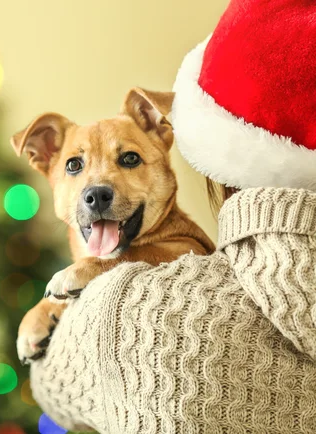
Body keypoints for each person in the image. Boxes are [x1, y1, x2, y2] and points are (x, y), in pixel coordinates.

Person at [28, 0, 316, 432]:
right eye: (74, 166)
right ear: (43, 158)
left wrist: (102, 268)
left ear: (164, 135)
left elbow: (51, 386)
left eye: (128, 160)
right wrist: (49, 305)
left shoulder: (180, 276)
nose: (98, 185)